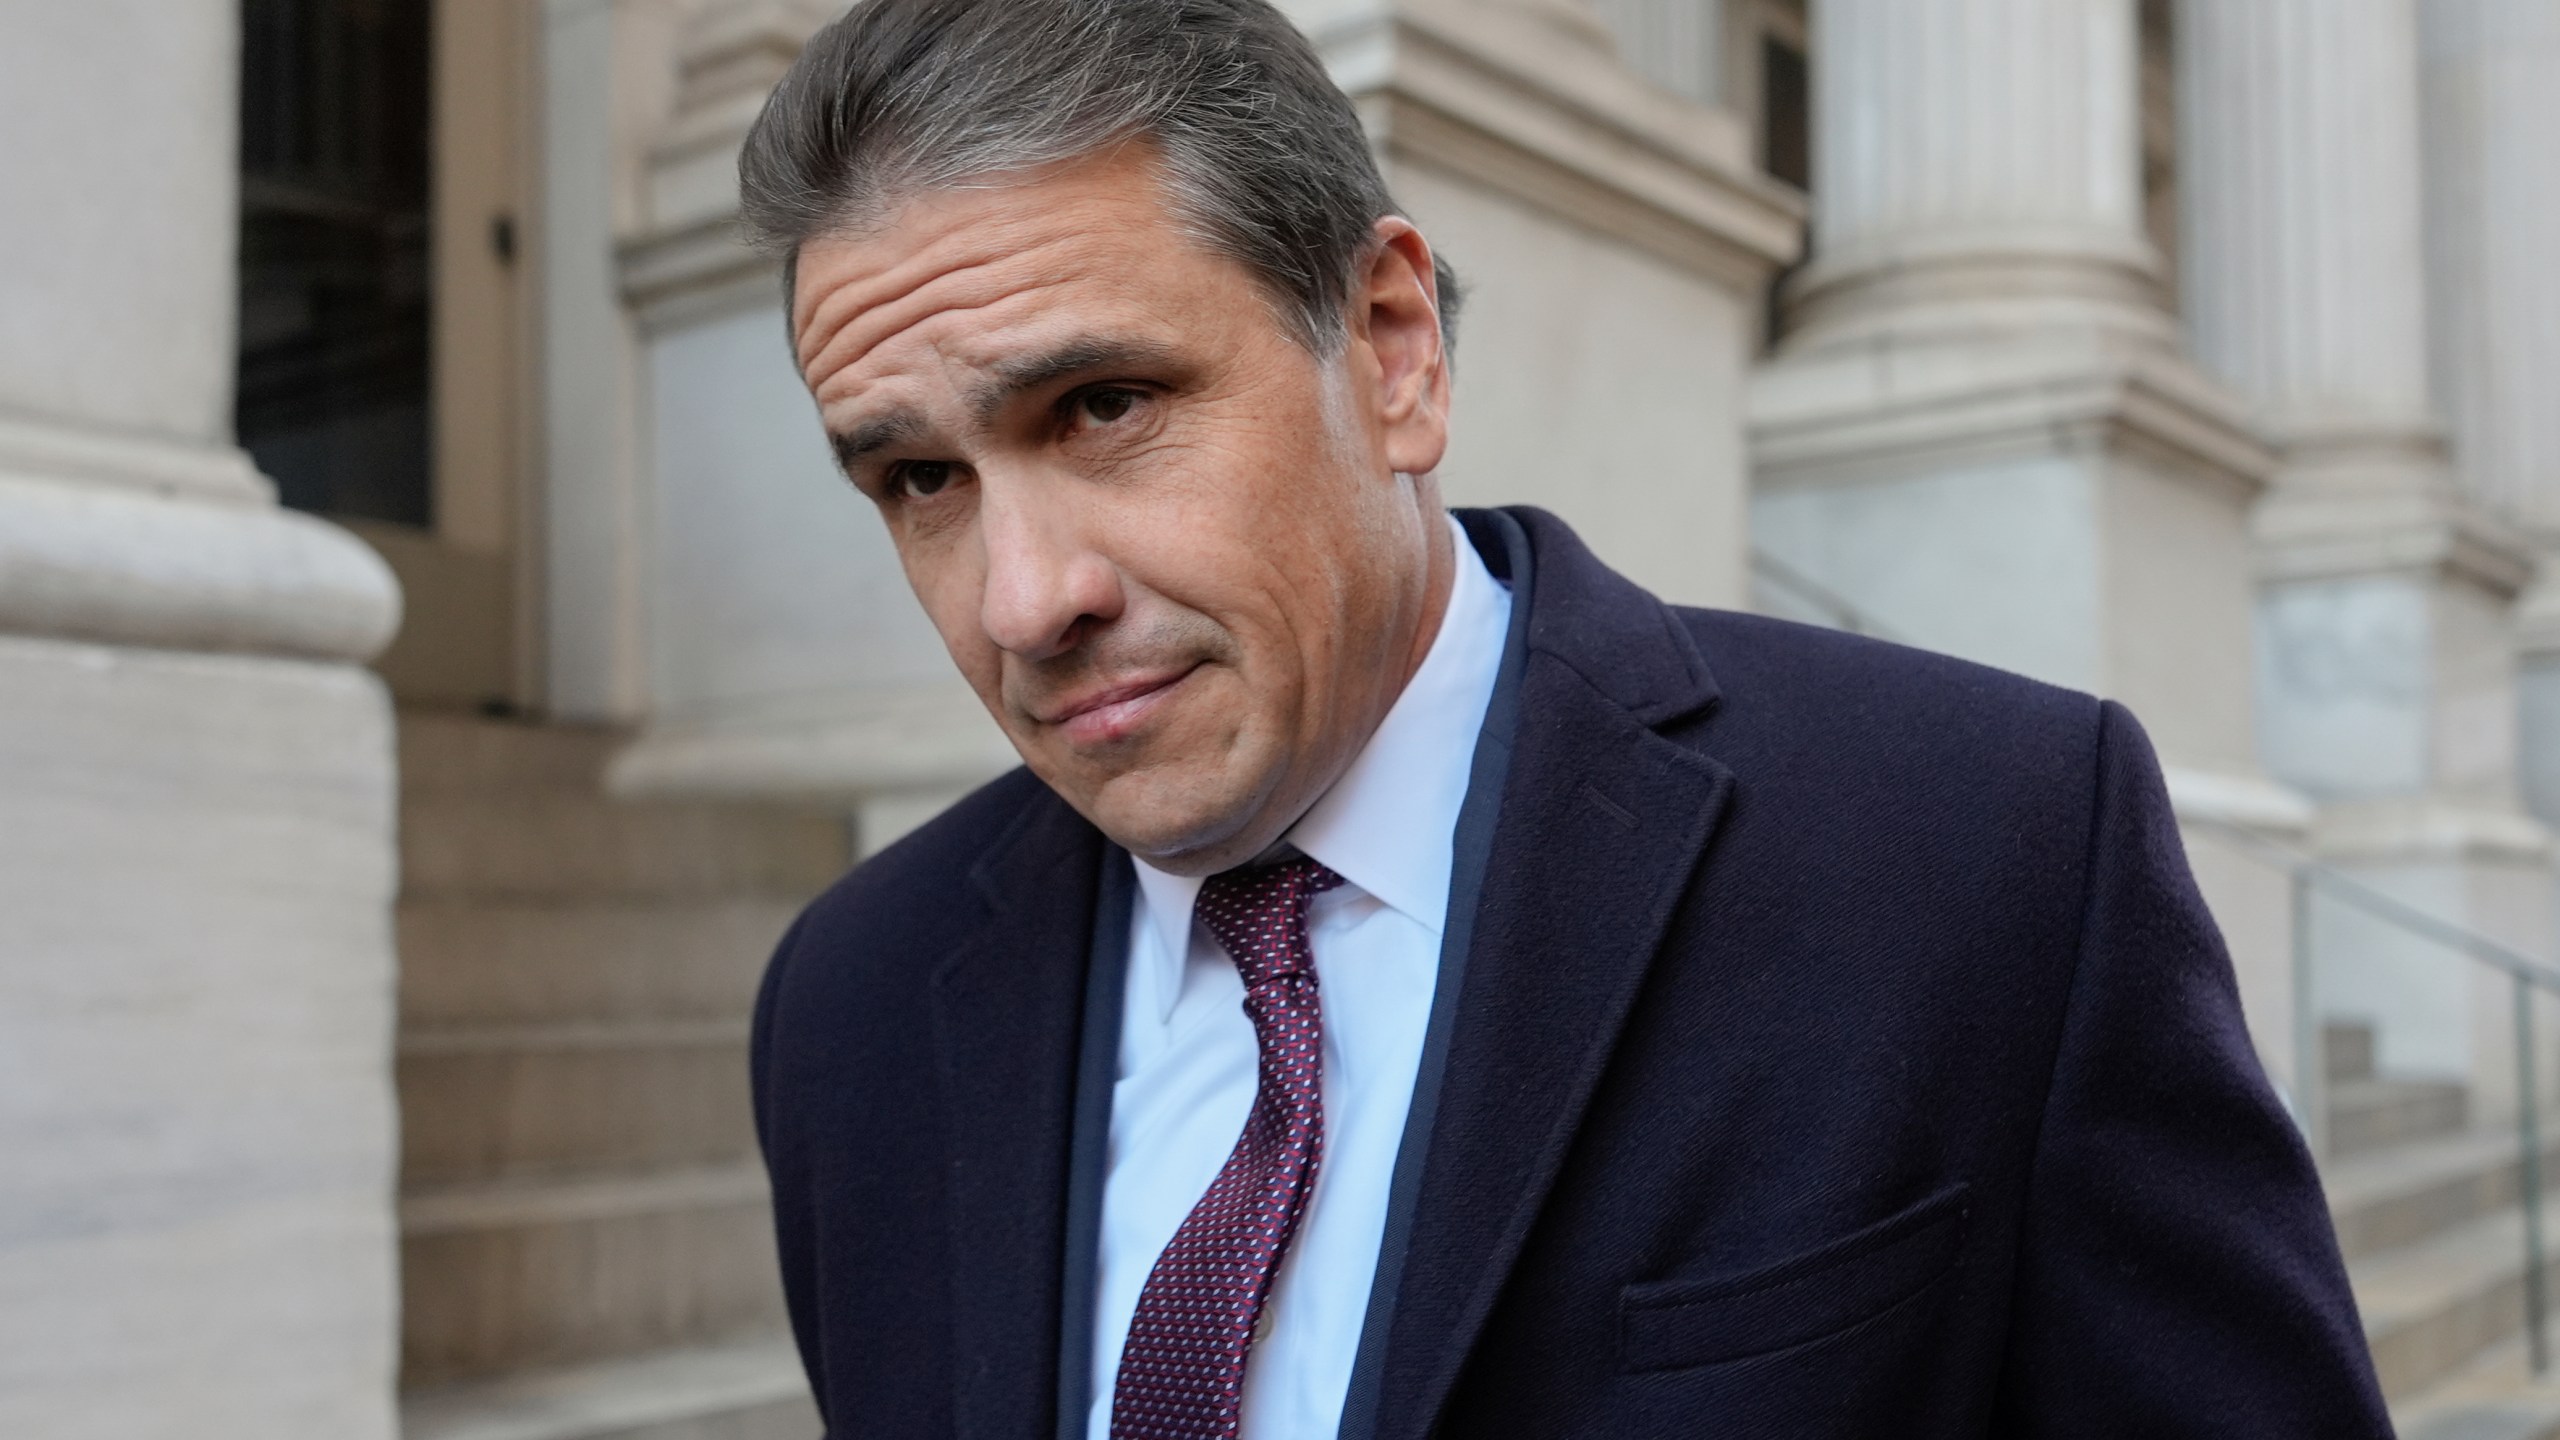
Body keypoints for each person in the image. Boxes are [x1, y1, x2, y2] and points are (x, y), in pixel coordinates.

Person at [737, 0, 2392, 1435]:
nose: (1025, 599)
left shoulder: (1983, 846)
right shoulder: (854, 1005)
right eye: (921, 479)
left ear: (1392, 352)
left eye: (1104, 407)